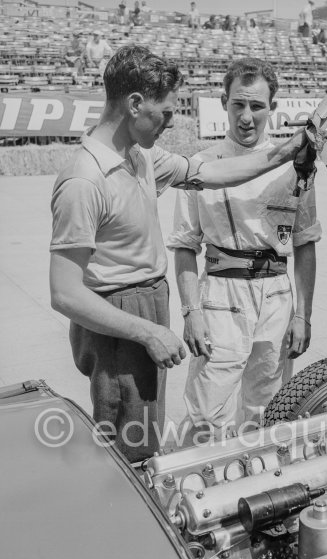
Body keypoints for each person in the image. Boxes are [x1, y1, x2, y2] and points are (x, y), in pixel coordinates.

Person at [49, 45, 309, 463]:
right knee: (126, 442)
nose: (172, 123)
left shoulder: (141, 158)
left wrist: (285, 152)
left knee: (147, 434)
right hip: (118, 319)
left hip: (147, 306)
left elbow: (212, 172)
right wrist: (150, 331)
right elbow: (64, 294)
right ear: (135, 104)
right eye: (166, 113)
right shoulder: (85, 180)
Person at [167, 58, 321, 441]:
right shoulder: (202, 165)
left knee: (267, 409)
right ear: (223, 102)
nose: (247, 116)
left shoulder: (296, 167)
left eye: (256, 105)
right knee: (206, 411)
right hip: (220, 297)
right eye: (238, 104)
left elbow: (305, 244)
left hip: (276, 299)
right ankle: (195, 486)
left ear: (272, 106)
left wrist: (303, 315)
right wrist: (191, 312)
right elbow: (185, 246)